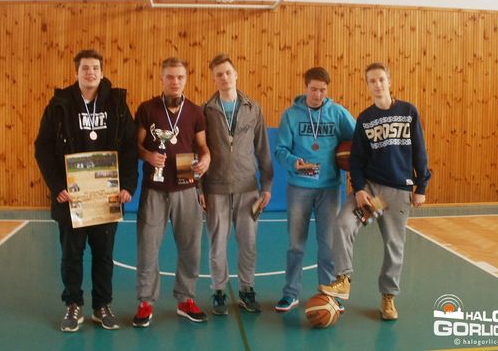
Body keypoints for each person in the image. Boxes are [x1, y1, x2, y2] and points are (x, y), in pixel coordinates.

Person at [34, 49, 138, 332]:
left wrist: (128, 185)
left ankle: (102, 306)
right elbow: (42, 147)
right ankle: (73, 304)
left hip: (106, 196)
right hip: (72, 197)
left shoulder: (117, 104)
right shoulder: (60, 104)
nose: (90, 72)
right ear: (76, 72)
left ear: (102, 72)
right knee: (72, 255)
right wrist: (56, 186)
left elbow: (130, 147)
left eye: (95, 68)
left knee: (103, 255)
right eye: (85, 68)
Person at [319, 62, 431, 320]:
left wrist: (421, 186)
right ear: (367, 85)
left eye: (381, 79)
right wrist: (359, 189)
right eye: (372, 81)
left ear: (389, 81)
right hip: (373, 193)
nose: (377, 84)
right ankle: (343, 279)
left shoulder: (408, 111)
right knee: (344, 223)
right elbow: (357, 159)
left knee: (394, 245)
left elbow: (419, 151)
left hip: (398, 191)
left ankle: (388, 297)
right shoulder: (365, 118)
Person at [132, 57, 210, 326]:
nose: (175, 82)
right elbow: (136, 145)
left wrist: (207, 159)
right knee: (147, 247)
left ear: (185, 79)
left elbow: (203, 147)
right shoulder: (147, 108)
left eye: (180, 77)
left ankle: (186, 299)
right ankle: (145, 302)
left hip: (186, 184)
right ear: (161, 78)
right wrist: (148, 155)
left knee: (190, 247)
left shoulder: (196, 111)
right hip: (154, 188)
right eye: (170, 77)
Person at [274, 67, 355, 312]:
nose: (318, 95)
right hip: (299, 188)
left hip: (329, 189)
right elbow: (280, 150)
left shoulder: (337, 113)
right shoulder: (291, 115)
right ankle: (290, 294)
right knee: (295, 245)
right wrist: (293, 162)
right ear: (305, 87)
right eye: (313, 89)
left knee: (328, 246)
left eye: (322, 90)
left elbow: (358, 139)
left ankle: (328, 294)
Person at [202, 54, 274, 315]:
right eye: (219, 74)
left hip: (248, 190)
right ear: (214, 79)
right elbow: (199, 151)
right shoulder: (206, 111)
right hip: (215, 189)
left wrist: (266, 186)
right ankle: (219, 292)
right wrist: (200, 189)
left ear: (236, 75)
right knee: (217, 244)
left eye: (228, 73)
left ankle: (247, 289)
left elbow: (263, 149)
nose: (224, 77)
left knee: (248, 243)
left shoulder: (253, 108)